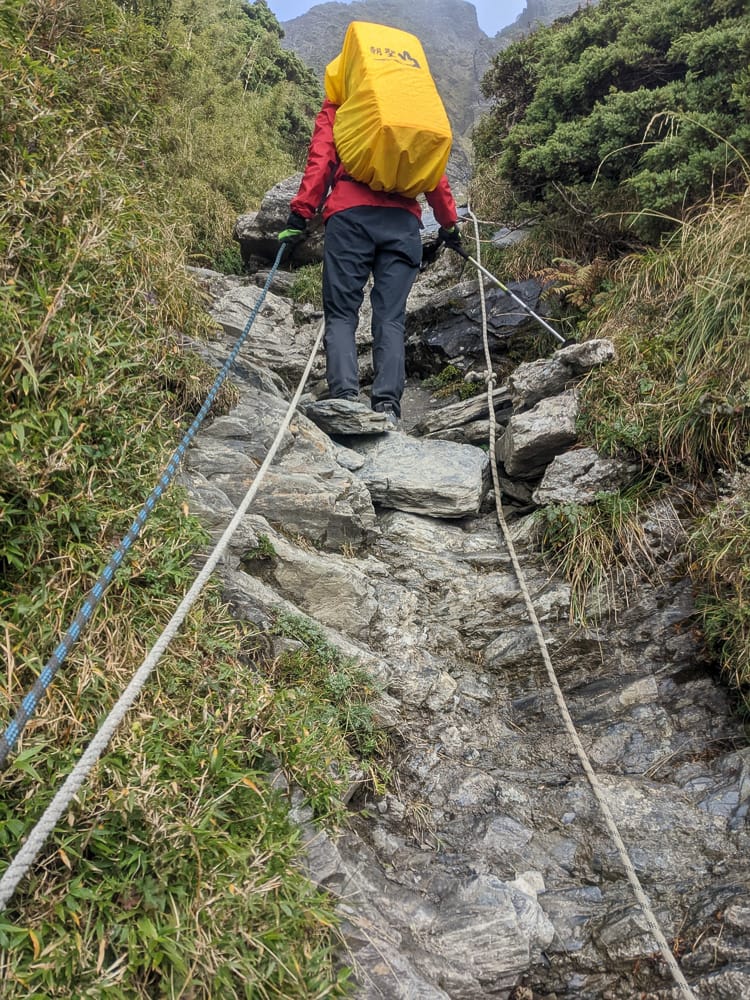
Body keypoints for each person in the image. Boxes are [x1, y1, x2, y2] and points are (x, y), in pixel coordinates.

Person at [278, 96, 462, 429]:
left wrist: (300, 213)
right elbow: (434, 171)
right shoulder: (410, 110)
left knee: (342, 312)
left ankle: (346, 398)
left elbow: (321, 160)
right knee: (391, 317)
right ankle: (388, 407)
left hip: (350, 219)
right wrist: (448, 224)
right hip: (403, 223)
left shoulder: (341, 107)